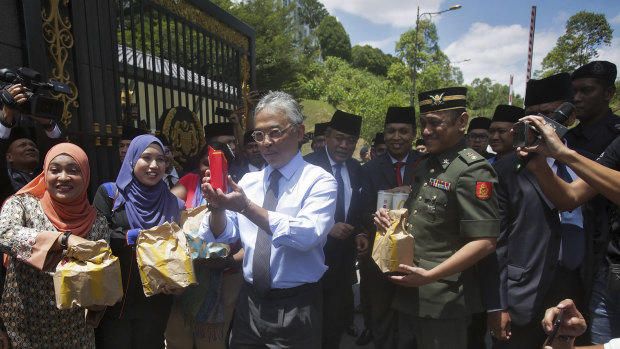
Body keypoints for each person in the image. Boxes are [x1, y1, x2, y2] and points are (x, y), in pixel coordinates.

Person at [199, 91, 337, 348]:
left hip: (296, 304)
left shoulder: (319, 181)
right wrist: (217, 207)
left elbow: (306, 235)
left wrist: (247, 207)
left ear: (299, 132)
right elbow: (224, 235)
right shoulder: (249, 182)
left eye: (275, 132)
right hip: (249, 302)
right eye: (259, 135)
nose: (266, 142)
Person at [375, 87, 499, 349]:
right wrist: (390, 220)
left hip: (443, 296)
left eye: (435, 124)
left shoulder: (473, 170)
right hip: (411, 287)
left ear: (462, 122)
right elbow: (423, 218)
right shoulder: (426, 165)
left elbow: (485, 241)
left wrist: (430, 276)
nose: (426, 131)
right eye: (424, 124)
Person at [481, 73, 587, 349]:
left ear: (570, 115)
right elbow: (494, 243)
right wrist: (497, 306)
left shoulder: (586, 166)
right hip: (522, 295)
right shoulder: (504, 171)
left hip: (578, 288)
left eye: (549, 114)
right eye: (531, 115)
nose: (539, 123)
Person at [0, 143, 111, 348]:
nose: (63, 177)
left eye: (73, 170)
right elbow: (4, 236)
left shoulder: (97, 222)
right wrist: (63, 240)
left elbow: (100, 278)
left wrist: (96, 303)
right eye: (55, 170)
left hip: (76, 334)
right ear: (45, 173)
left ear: (85, 176)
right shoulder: (22, 205)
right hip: (24, 331)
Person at [93, 135, 185, 349]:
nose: (154, 165)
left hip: (156, 300)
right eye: (146, 158)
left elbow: (178, 249)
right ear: (132, 160)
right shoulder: (110, 194)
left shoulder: (174, 203)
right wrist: (133, 236)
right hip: (116, 299)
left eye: (160, 159)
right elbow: (97, 237)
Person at [358, 106, 421, 348]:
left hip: (416, 255)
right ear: (384, 134)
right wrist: (374, 217)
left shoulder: (426, 165)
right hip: (379, 256)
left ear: (413, 135)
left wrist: (412, 193)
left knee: (409, 319)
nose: (397, 137)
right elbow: (360, 209)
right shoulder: (370, 169)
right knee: (381, 315)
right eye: (391, 131)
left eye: (403, 131)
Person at [304, 110, 363, 348]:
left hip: (342, 263)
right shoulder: (306, 166)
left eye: (350, 141)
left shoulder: (356, 168)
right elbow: (291, 211)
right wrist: (327, 227)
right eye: (339, 138)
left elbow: (357, 208)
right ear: (327, 137)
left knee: (334, 323)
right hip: (311, 260)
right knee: (308, 323)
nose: (344, 145)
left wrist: (359, 233)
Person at [566, 61, 620, 159]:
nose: (576, 98)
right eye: (573, 92)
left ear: (608, 93)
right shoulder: (566, 137)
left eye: (587, 90)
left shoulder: (616, 136)